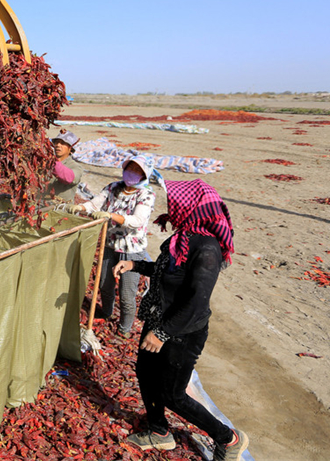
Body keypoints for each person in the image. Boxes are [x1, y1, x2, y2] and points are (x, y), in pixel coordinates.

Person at [112, 179, 249, 461]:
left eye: (176, 203)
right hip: (159, 318)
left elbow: (197, 301)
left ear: (192, 208)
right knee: (146, 374)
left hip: (182, 332)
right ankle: (159, 431)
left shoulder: (207, 249)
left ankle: (228, 438)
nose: (172, 208)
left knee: (173, 393)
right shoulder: (183, 237)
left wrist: (162, 333)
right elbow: (167, 271)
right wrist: (135, 265)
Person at [70, 155, 155, 337]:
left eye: (137, 171)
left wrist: (111, 216)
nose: (131, 173)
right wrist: (81, 208)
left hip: (131, 250)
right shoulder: (113, 187)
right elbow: (95, 204)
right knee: (104, 284)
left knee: (126, 293)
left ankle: (124, 329)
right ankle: (106, 312)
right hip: (109, 244)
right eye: (130, 168)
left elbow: (137, 221)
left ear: (144, 175)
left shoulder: (146, 194)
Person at [43, 130, 84, 202]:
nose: (58, 145)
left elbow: (69, 178)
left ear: (71, 148)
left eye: (63, 143)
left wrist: (53, 163)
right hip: (42, 204)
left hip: (61, 207)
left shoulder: (76, 167)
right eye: (56, 142)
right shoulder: (46, 162)